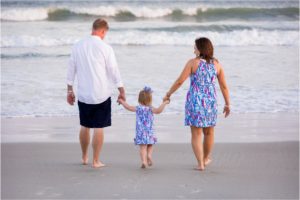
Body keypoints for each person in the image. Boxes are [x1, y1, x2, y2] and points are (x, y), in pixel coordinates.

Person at [163, 37, 230, 171]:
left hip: (195, 101)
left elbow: (179, 81)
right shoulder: (217, 64)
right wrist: (228, 104)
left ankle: (200, 164)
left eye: (195, 47)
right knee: (209, 132)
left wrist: (169, 93)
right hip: (211, 102)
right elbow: (223, 86)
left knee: (196, 133)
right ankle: (205, 159)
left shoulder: (193, 63)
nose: (193, 50)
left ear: (200, 49)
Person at [66, 18, 125, 168]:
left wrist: (69, 90)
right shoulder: (105, 48)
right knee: (98, 127)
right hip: (101, 94)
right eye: (105, 33)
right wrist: (121, 90)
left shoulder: (78, 45)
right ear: (103, 31)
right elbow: (113, 70)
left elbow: (71, 69)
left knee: (85, 126)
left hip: (84, 94)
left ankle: (84, 157)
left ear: (93, 28)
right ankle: (96, 160)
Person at [118, 86, 169, 168]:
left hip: (140, 132)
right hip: (149, 131)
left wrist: (121, 101)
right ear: (150, 99)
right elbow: (159, 111)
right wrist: (164, 103)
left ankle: (144, 161)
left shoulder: (138, 108)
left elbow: (128, 107)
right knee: (150, 144)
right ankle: (149, 155)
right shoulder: (150, 108)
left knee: (142, 147)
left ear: (139, 99)